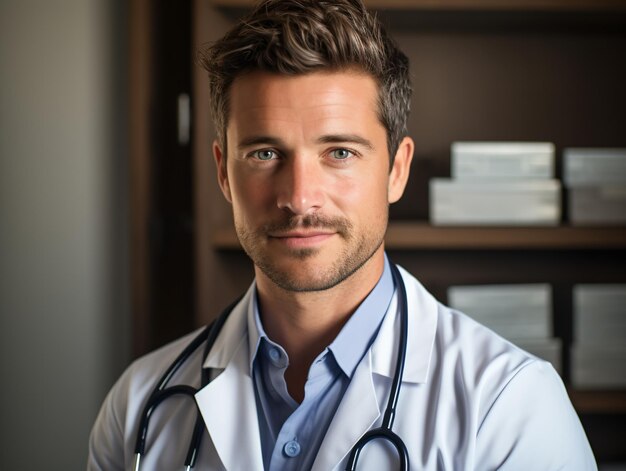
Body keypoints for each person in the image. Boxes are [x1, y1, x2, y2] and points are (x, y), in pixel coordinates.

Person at [88, 0, 597, 469]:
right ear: (223, 173)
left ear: (397, 171)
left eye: (340, 153)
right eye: (265, 154)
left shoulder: (510, 407)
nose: (300, 197)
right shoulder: (141, 404)